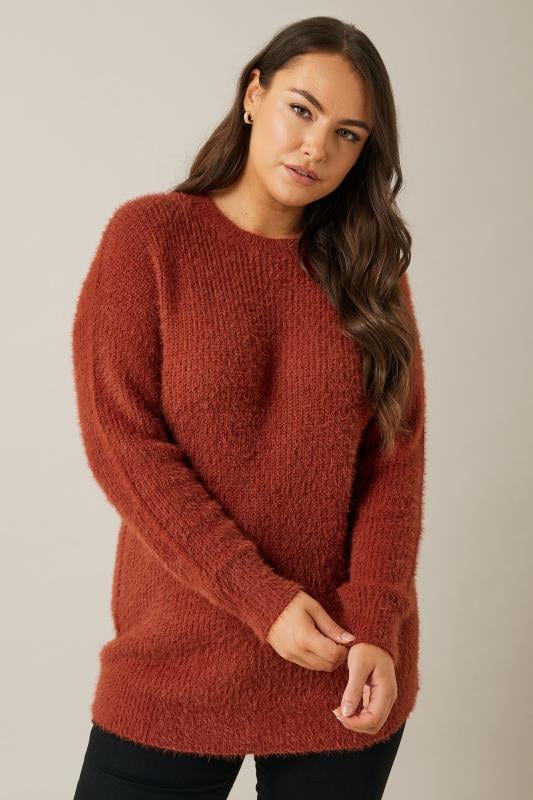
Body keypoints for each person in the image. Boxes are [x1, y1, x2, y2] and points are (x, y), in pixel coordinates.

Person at [72, 14, 426, 800]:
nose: (315, 147)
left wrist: (377, 626)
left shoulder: (368, 271)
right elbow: (123, 447)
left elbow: (392, 468)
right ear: (253, 95)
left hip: (342, 666)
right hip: (175, 659)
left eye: (346, 134)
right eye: (301, 110)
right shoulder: (149, 239)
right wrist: (261, 600)